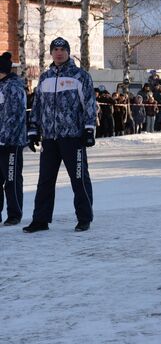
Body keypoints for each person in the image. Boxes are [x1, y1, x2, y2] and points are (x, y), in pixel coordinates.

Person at [23, 37, 97, 233]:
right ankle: (40, 220)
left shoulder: (80, 76)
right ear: (51, 52)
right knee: (45, 180)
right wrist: (33, 130)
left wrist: (89, 129)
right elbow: (37, 105)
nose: (59, 52)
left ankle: (84, 217)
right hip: (50, 137)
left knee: (79, 178)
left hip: (73, 137)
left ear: (68, 52)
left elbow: (89, 104)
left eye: (62, 49)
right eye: (55, 49)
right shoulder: (45, 78)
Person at [0, 52, 26, 226]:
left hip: (10, 142)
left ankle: (14, 214)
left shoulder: (13, 86)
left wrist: (4, 137)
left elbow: (14, 115)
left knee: (12, 179)